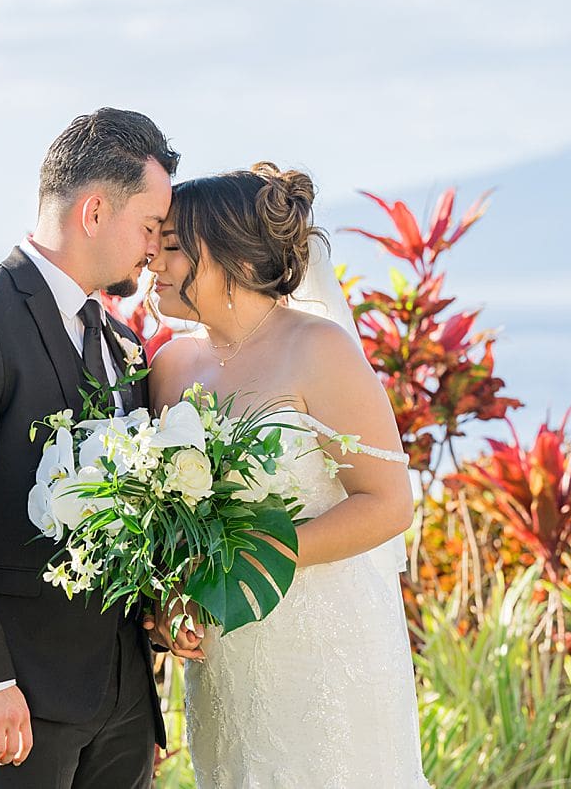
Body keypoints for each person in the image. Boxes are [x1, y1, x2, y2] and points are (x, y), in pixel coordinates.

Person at [0, 108, 179, 788]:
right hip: (10, 697)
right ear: (95, 210)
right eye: (148, 227)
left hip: (119, 704)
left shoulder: (124, 345)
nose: (152, 249)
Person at [144, 162, 432, 787]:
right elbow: (166, 515)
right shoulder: (169, 367)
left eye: (171, 248)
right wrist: (173, 596)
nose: (152, 263)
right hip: (226, 650)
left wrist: (269, 550)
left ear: (232, 258)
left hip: (323, 641)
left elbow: (387, 503)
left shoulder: (318, 349)